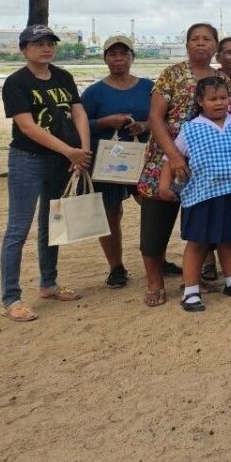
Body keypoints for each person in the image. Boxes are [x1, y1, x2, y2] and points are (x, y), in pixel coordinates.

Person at [0, 25, 92, 322]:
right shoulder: (16, 83)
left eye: (50, 42)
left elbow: (78, 112)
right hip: (28, 158)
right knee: (18, 228)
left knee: (51, 223)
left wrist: (83, 151)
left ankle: (48, 283)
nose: (45, 48)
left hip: (61, 160)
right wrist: (70, 151)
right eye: (37, 43)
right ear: (24, 49)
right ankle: (11, 298)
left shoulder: (64, 76)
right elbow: (27, 126)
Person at [136, 23, 224, 308]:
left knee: (200, 223)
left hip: (204, 162)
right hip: (163, 157)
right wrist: (173, 156)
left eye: (207, 39)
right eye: (195, 39)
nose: (201, 44)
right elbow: (156, 118)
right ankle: (155, 281)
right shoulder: (172, 74)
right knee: (156, 221)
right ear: (187, 44)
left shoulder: (220, 78)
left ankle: (194, 279)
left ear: (215, 46)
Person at [158, 77, 231, 312]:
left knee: (229, 239)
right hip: (201, 195)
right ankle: (191, 291)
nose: (219, 103)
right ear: (201, 101)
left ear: (229, 100)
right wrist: (164, 186)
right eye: (212, 99)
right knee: (198, 243)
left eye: (223, 98)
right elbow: (170, 159)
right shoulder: (190, 129)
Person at [80, 35, 154, 289]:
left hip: (143, 157)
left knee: (154, 207)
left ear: (133, 57)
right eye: (113, 54)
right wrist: (105, 122)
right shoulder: (94, 92)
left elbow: (162, 117)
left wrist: (143, 125)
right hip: (107, 162)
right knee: (112, 213)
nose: (119, 58)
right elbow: (78, 124)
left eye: (124, 53)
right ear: (105, 58)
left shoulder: (147, 87)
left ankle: (156, 258)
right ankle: (116, 267)